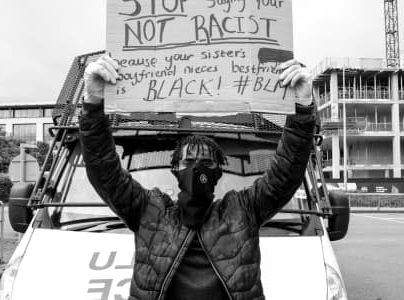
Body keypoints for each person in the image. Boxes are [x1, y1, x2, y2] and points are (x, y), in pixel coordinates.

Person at [79, 54, 317, 300]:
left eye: (206, 163)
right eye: (188, 162)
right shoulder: (147, 210)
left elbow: (285, 172)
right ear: (175, 171)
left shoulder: (243, 210)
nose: (197, 170)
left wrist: (302, 108)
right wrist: (93, 103)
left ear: (218, 172)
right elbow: (104, 170)